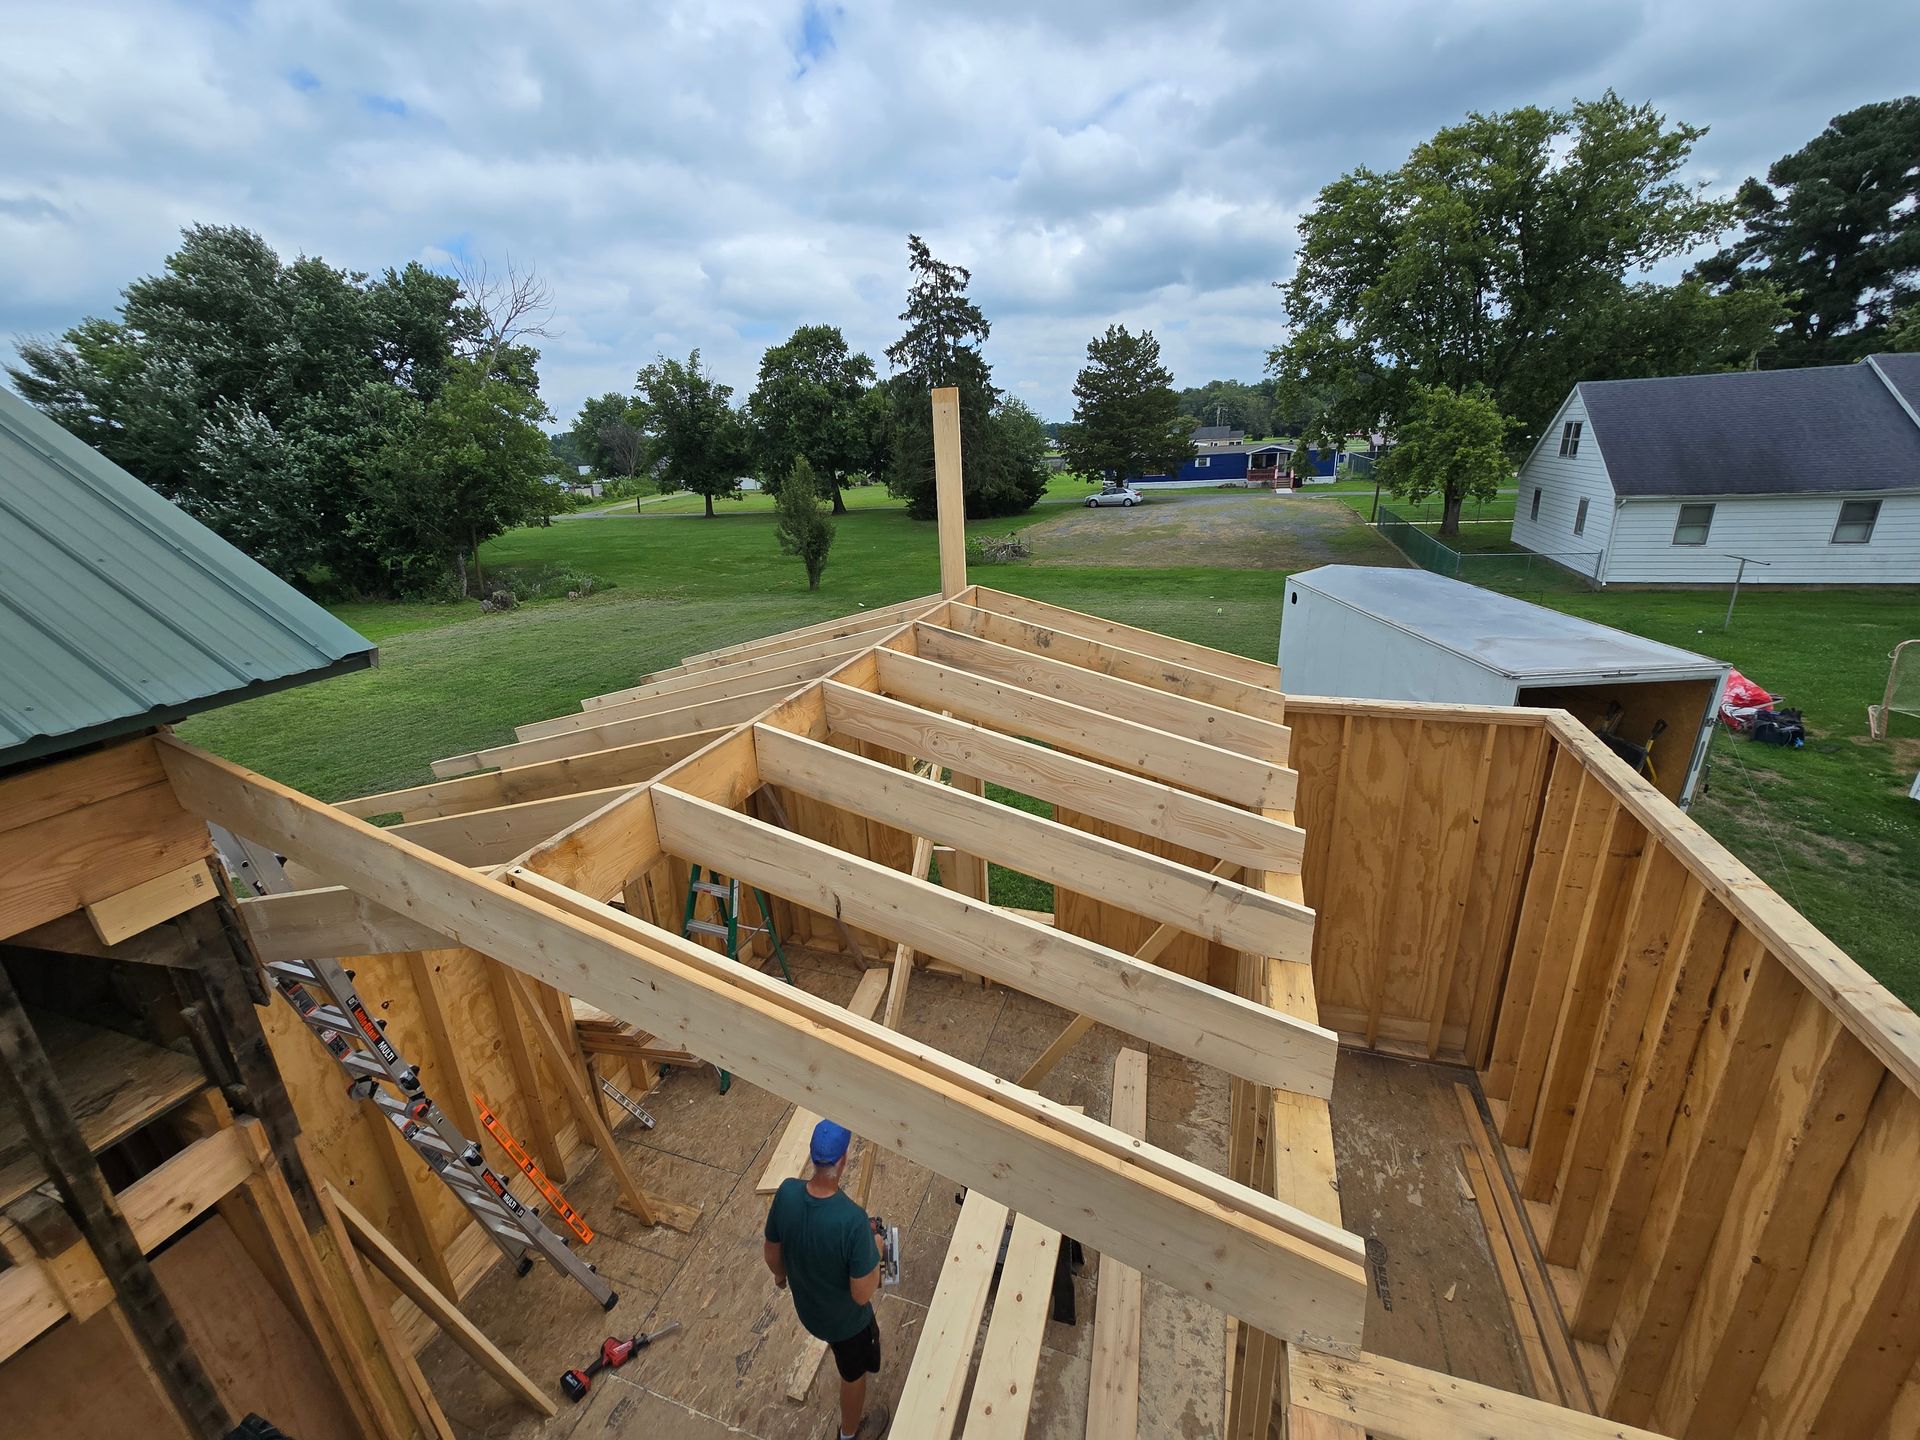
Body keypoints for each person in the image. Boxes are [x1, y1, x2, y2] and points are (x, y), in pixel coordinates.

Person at [763, 1119, 890, 1439]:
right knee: (853, 1374)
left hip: (809, 1312)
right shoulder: (852, 1220)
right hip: (845, 1325)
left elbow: (772, 1255)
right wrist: (875, 1248)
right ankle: (849, 1434)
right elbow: (862, 1294)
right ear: (844, 1160)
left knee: (851, 1354)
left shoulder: (787, 1193)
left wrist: (781, 1276)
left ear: (812, 1156)